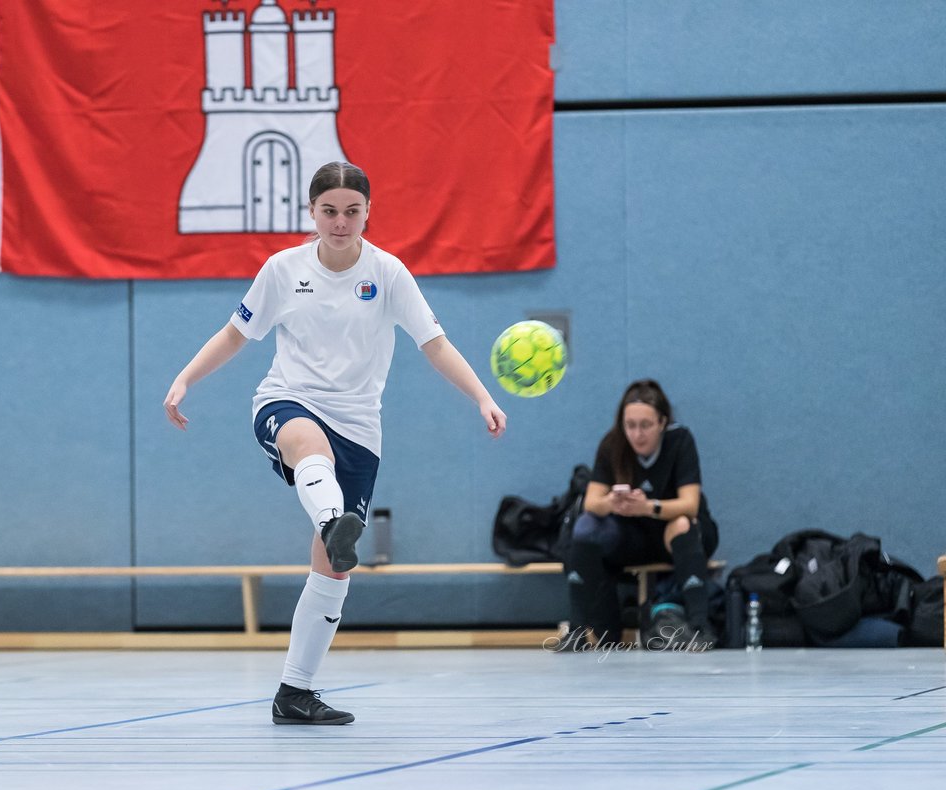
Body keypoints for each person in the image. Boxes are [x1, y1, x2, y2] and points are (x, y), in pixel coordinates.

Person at [164, 162, 507, 724]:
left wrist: (482, 397)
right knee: (307, 446)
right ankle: (332, 518)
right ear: (311, 213)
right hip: (288, 401)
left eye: (352, 211)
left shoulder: (389, 274)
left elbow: (435, 343)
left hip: (360, 430)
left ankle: (293, 693)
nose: (341, 222)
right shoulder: (282, 270)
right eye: (330, 211)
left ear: (368, 212)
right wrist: (185, 378)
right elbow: (236, 333)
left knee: (332, 572)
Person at [558, 378, 718, 651]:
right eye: (630, 426)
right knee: (586, 525)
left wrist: (649, 507)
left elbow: (689, 504)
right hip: (632, 536)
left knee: (681, 523)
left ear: (662, 423)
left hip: (677, 533)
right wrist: (613, 503)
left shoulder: (680, 441)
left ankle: (700, 627)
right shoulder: (612, 444)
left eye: (645, 425)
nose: (637, 434)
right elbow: (592, 502)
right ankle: (577, 630)